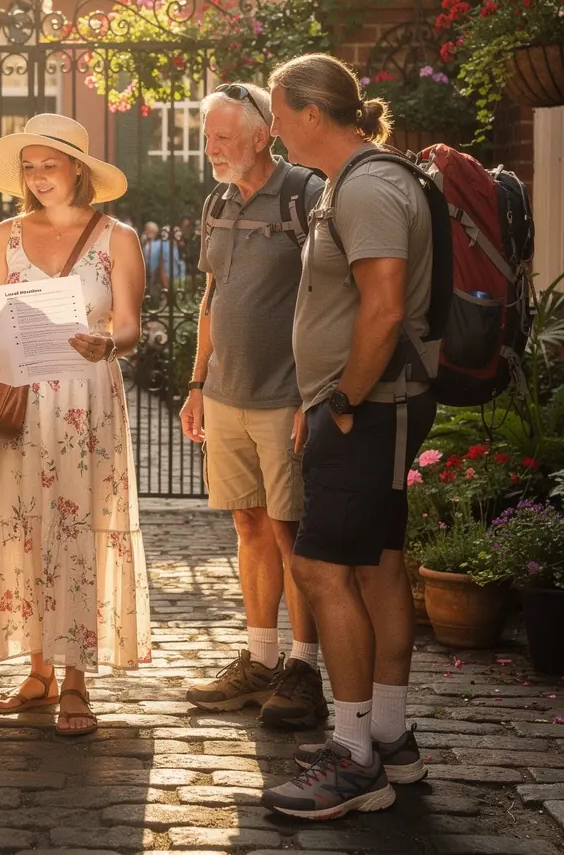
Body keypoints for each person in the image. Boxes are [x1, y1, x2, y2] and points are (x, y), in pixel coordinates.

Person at [0, 113, 152, 736]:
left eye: (50, 163)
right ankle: (38, 671)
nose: (39, 176)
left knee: (77, 527)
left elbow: (128, 322)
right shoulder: (6, 234)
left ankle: (76, 678)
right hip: (22, 399)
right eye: (30, 166)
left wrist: (109, 344)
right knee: (24, 526)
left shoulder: (117, 237)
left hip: (86, 400)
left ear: (79, 168)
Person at [261, 54, 436, 819]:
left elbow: (385, 308)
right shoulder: (355, 182)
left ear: (309, 113)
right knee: (378, 567)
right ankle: (390, 737)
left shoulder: (367, 186)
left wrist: (341, 402)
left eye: (275, 111)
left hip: (369, 408)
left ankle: (355, 755)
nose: (271, 127)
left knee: (322, 571)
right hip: (369, 407)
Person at [180, 83, 326, 729]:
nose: (211, 147)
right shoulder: (216, 202)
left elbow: (329, 301)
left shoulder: (306, 196)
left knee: (290, 530)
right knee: (247, 525)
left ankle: (303, 668)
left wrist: (311, 395)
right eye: (207, 136)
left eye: (222, 136)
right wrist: (194, 385)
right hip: (226, 396)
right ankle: (260, 659)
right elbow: (211, 299)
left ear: (261, 135)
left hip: (284, 397)